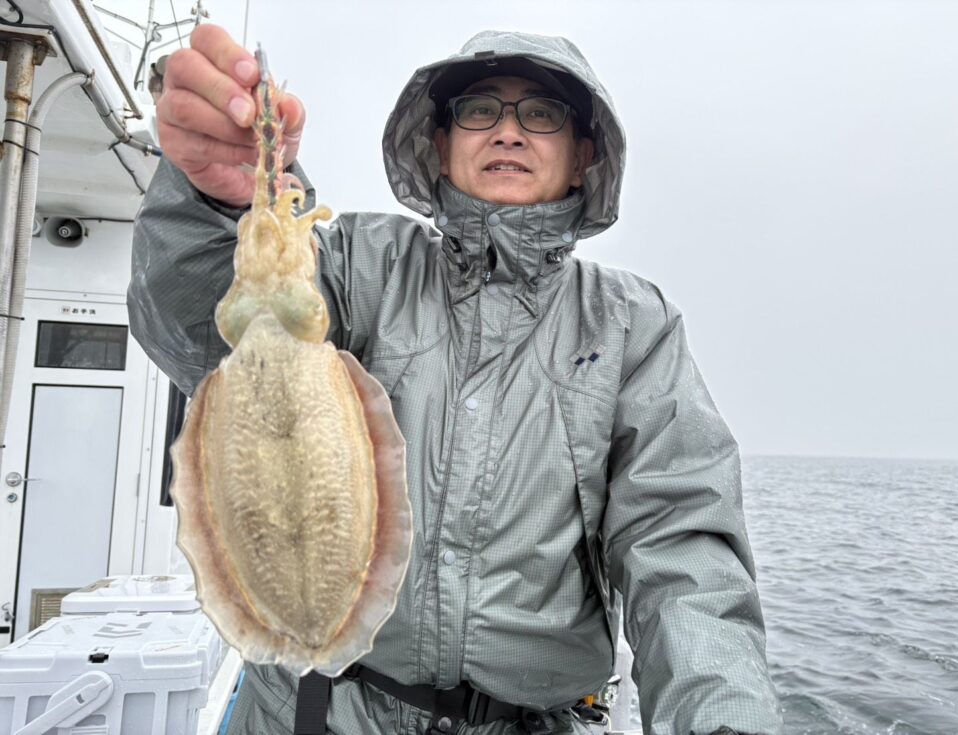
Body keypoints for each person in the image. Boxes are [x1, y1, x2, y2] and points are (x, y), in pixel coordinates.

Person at [128, 23, 784, 735]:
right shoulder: (356, 263)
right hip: (314, 713)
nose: (507, 132)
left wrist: (722, 718)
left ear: (583, 154)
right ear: (439, 143)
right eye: (479, 110)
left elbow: (679, 541)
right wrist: (221, 205)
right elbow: (206, 330)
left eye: (540, 113)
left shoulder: (632, 325)